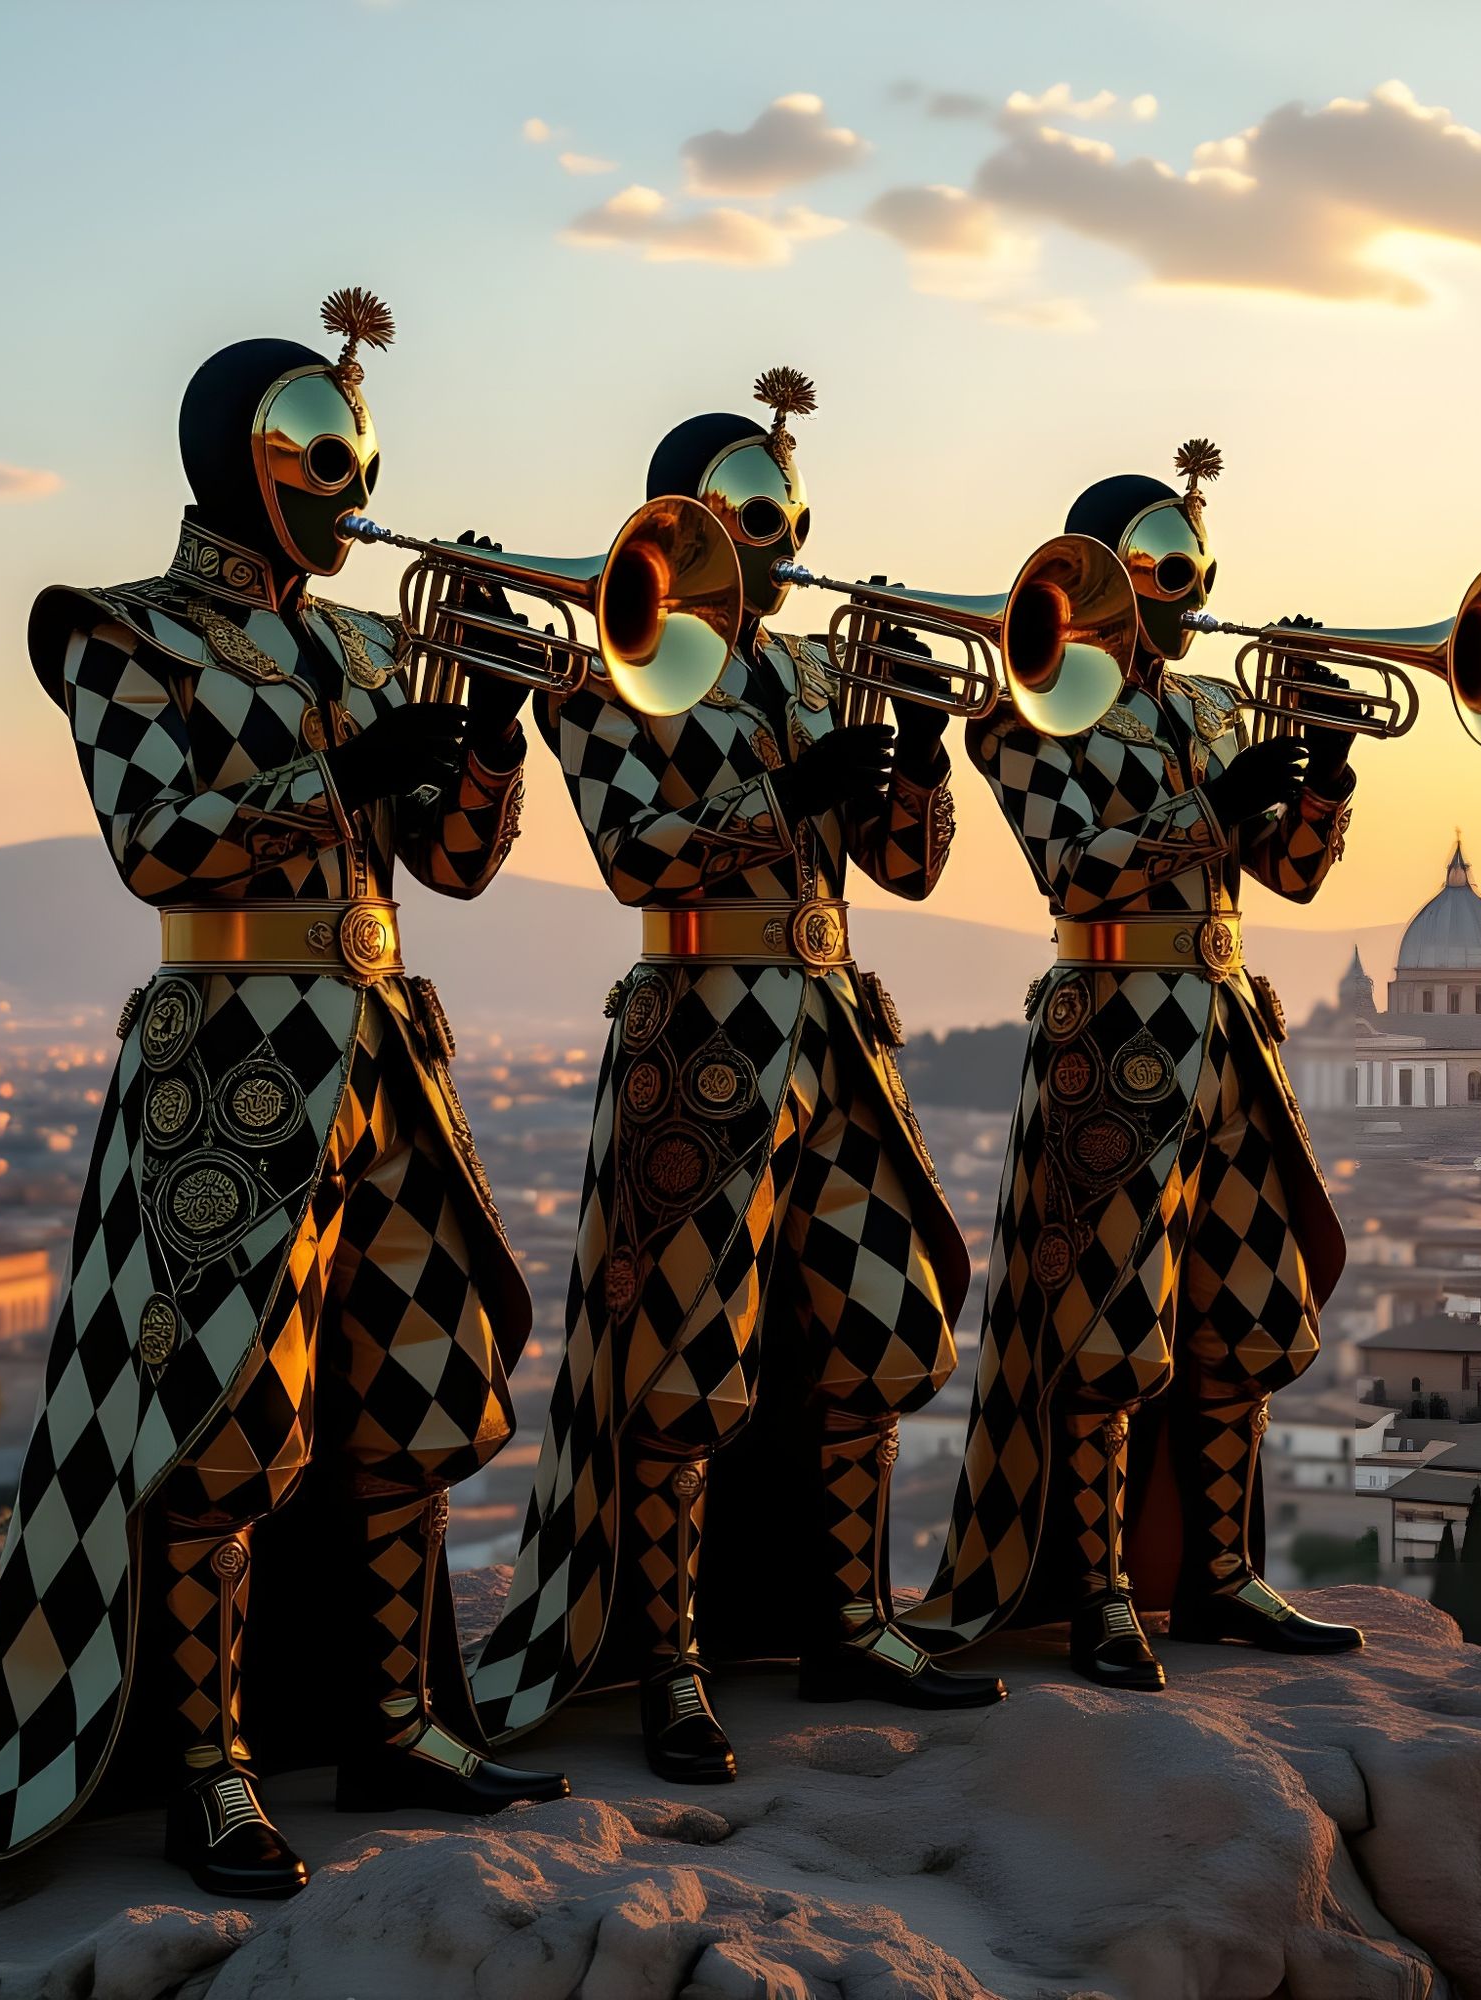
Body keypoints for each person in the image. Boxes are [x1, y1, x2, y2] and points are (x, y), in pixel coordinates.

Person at [0, 290, 564, 1898]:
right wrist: (348, 773)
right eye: (320, 455)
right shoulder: (122, 630)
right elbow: (155, 844)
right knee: (223, 1429)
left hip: (390, 1054)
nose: (348, 487)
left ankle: (397, 1720)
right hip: (231, 1061)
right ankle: (210, 1771)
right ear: (238, 463)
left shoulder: (377, 642)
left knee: (414, 1397)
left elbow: (450, 870)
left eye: (357, 457)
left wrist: (496, 743)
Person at [470, 369, 1002, 1785]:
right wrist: (793, 795)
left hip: (835, 1028)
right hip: (700, 1030)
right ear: (683, 523)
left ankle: (849, 1618)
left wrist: (922, 765)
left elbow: (911, 869)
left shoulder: (823, 671)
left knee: (890, 1328)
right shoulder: (603, 660)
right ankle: (673, 1665)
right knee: (683, 1368)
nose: (783, 537)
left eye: (792, 511)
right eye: (754, 511)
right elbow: (636, 855)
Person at [905, 440, 1364, 1690]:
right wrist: (1216, 810)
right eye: (1166, 561)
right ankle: (1099, 1588)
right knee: (1110, 1323)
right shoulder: (1025, 696)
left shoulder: (1213, 707)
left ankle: (1216, 1574)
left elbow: (1290, 877)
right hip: (1110, 1031)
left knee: (1250, 1308)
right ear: (1094, 571)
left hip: (1226, 1032)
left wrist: (1319, 778)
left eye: (1197, 563)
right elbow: (1072, 867)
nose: (1190, 586)